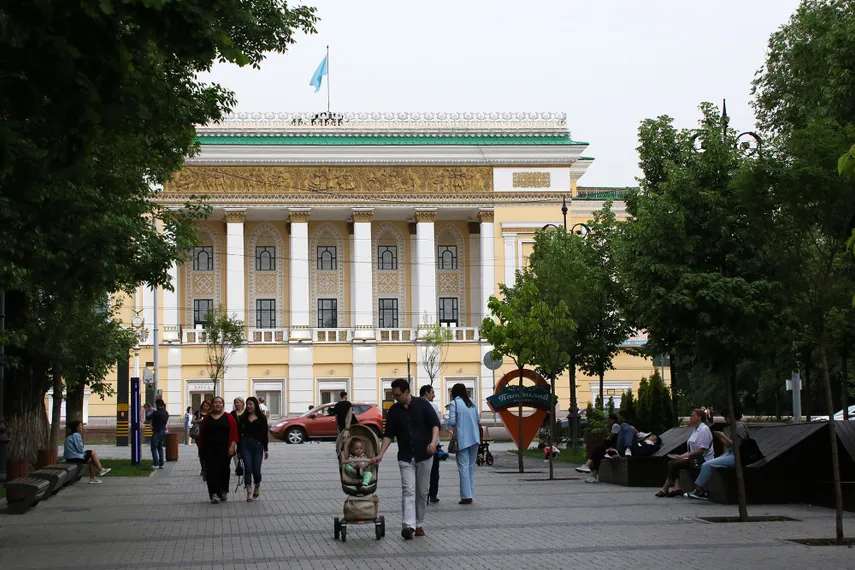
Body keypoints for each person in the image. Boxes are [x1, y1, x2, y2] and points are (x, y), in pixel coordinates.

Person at [372, 378, 440, 540]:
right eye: (393, 395)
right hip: (405, 456)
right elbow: (389, 434)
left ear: (407, 392)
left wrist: (433, 442)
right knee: (408, 490)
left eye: (398, 395)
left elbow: (435, 424)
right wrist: (381, 454)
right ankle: (408, 526)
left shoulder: (423, 405)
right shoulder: (394, 411)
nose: (395, 398)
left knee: (422, 492)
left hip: (424, 455)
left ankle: (419, 523)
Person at [686, 406, 749, 500]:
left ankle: (699, 489)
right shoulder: (733, 427)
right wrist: (719, 437)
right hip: (731, 453)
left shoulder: (739, 427)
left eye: (725, 417)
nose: (725, 420)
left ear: (730, 416)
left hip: (737, 455)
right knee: (710, 463)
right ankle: (700, 489)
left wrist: (723, 435)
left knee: (707, 465)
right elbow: (729, 445)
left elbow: (737, 445)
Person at [656, 409, 714, 498]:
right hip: (694, 458)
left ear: (699, 418)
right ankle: (676, 487)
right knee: (672, 462)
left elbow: (701, 449)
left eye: (693, 416)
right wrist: (681, 456)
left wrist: (685, 456)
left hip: (702, 459)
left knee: (674, 464)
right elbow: (691, 449)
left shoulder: (704, 429)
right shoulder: (695, 430)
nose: (690, 418)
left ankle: (665, 488)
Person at [198, 396, 239, 504]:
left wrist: (232, 446)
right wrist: (201, 450)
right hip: (209, 449)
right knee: (211, 471)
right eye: (215, 402)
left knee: (224, 470)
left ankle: (223, 491)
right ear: (212, 405)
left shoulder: (229, 417)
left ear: (223, 404)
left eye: (220, 402)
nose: (218, 404)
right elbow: (202, 435)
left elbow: (234, 433)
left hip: (224, 449)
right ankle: (213, 494)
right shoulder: (207, 418)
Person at [447, 383, 481, 505]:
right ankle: (470, 493)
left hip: (462, 439)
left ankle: (466, 496)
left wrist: (447, 422)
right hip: (474, 438)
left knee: (463, 467)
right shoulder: (472, 403)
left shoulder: (454, 403)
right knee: (470, 467)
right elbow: (478, 419)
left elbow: (452, 421)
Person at [239, 396, 269, 502]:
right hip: (245, 445)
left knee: (256, 470)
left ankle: (257, 485)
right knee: (248, 469)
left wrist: (266, 449)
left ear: (255, 405)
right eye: (247, 404)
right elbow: (239, 434)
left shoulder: (262, 418)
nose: (249, 406)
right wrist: (238, 450)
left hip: (258, 446)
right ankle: (249, 492)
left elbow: (265, 434)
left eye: (251, 404)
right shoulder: (243, 418)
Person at [63, 420, 111, 484]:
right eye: (81, 426)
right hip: (74, 457)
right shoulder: (76, 435)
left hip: (69, 457)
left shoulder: (70, 436)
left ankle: (92, 479)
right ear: (77, 427)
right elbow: (80, 450)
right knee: (92, 452)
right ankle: (101, 469)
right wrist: (85, 452)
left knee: (92, 460)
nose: (82, 427)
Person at [576, 414, 620, 483]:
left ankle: (589, 468)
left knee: (597, 451)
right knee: (597, 453)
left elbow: (610, 438)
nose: (608, 422)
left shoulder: (615, 425)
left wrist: (606, 431)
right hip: (611, 448)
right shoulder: (615, 426)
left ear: (612, 420)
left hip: (614, 449)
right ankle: (592, 473)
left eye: (608, 420)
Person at [419, 384, 442, 503]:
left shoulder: (414, 404)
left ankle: (421, 494)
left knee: (420, 470)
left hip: (419, 442)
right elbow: (438, 424)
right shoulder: (433, 406)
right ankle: (432, 495)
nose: (434, 395)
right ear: (426, 393)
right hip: (433, 442)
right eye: (432, 392)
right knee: (434, 470)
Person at [192, 399, 211, 478]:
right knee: (201, 452)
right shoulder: (198, 412)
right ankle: (203, 469)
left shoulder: (211, 413)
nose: (205, 407)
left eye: (207, 406)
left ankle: (208, 468)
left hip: (209, 435)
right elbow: (192, 421)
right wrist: (198, 421)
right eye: (204, 405)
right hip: (199, 435)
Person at [149, 399, 169, 469]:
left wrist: (150, 411)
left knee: (153, 448)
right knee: (160, 447)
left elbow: (148, 418)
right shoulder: (166, 413)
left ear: (157, 405)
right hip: (163, 431)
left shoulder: (156, 413)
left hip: (157, 432)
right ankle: (161, 463)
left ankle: (156, 463)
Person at [230, 397, 246, 472]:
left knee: (245, 452)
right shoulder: (232, 413)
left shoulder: (247, 412)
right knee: (235, 453)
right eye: (235, 403)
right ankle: (238, 467)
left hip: (245, 436)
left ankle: (246, 467)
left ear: (242, 403)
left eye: (237, 402)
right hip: (235, 436)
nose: (236, 404)